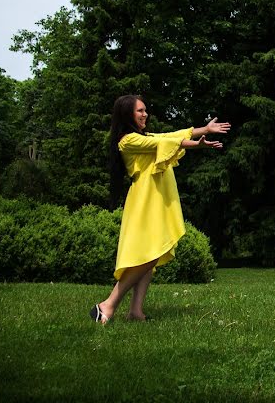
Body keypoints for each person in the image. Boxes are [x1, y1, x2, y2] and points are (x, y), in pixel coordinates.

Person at [90, 94, 230, 324]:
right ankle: (108, 304)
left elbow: (168, 137)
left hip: (155, 197)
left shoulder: (142, 136)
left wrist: (203, 130)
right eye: (140, 111)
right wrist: (196, 143)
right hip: (145, 200)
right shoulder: (128, 140)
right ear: (127, 114)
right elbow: (162, 143)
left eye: (146, 110)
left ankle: (135, 311)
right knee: (147, 255)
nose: (145, 114)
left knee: (151, 255)